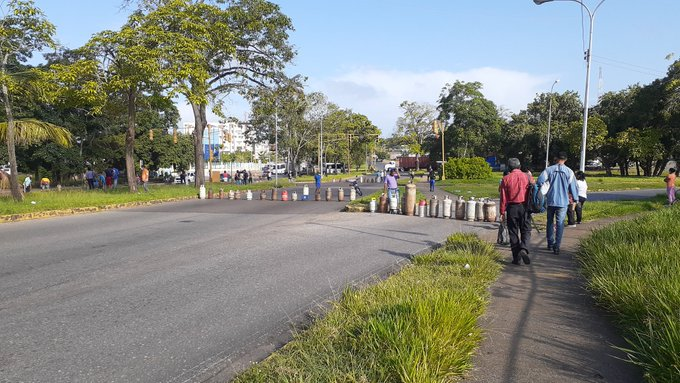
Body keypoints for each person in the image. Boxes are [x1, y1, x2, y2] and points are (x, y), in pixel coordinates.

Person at [537, 151, 579, 255]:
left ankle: (550, 243)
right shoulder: (569, 172)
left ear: (556, 158)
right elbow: (573, 187)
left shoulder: (549, 170)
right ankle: (557, 246)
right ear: (566, 159)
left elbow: (540, 181)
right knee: (560, 223)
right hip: (563, 202)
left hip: (551, 200)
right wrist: (575, 198)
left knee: (550, 222)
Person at [500, 158, 532, 265]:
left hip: (512, 208)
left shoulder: (506, 179)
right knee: (526, 230)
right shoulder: (527, 177)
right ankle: (524, 248)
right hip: (525, 207)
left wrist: (502, 212)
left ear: (509, 167)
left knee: (513, 232)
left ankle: (516, 258)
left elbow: (503, 198)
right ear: (519, 166)